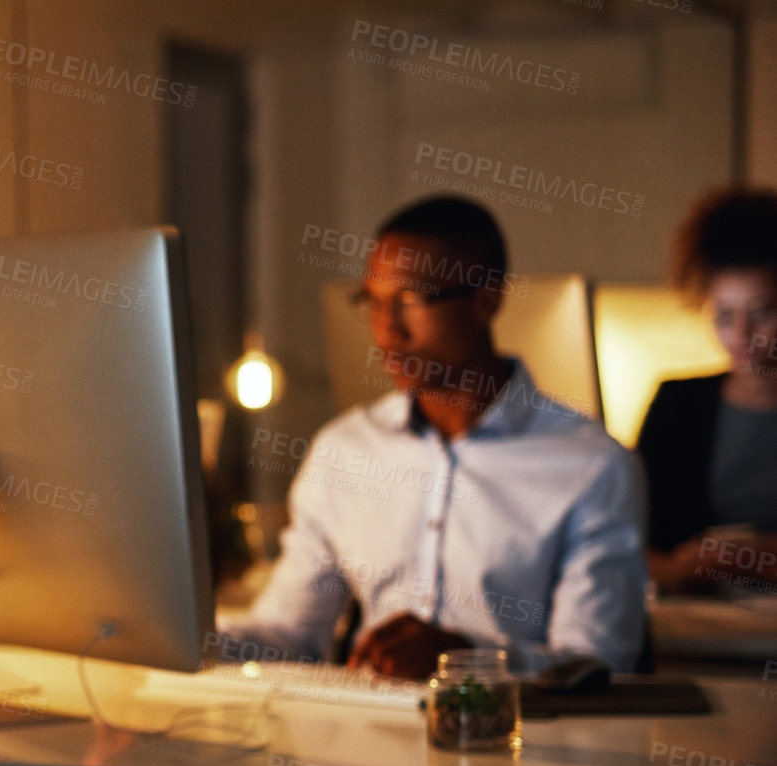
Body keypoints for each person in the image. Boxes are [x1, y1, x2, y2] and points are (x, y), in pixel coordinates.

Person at [217, 196, 646, 680]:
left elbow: (599, 663)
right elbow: (290, 635)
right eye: (373, 302)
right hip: (367, 737)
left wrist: (465, 657)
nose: (386, 330)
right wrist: (184, 635)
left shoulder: (590, 464)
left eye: (411, 300)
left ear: (486, 301)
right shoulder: (344, 450)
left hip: (517, 744)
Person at [637, 188, 777, 595]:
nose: (741, 334)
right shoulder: (677, 404)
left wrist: (740, 560)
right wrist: (679, 569)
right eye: (724, 315)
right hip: (694, 637)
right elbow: (628, 538)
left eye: (763, 312)